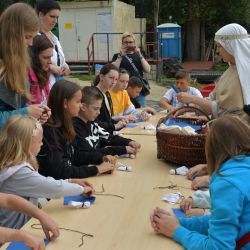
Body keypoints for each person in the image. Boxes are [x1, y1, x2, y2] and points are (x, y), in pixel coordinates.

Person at [150, 115, 250, 249]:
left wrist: (176, 231)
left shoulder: (228, 183)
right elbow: (222, 221)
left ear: (212, 150)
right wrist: (180, 222)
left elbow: (218, 247)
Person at [0, 115, 94, 230]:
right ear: (26, 144)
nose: (42, 144)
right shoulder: (19, 173)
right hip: (13, 233)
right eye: (39, 141)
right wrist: (82, 189)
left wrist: (71, 181)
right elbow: (53, 188)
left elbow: (42, 183)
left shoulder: (13, 164)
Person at [38, 79, 115, 179]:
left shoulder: (67, 124)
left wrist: (100, 158)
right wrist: (97, 169)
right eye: (78, 101)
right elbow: (60, 171)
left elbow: (75, 155)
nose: (80, 105)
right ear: (65, 103)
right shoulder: (49, 130)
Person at [176, 23, 250, 124]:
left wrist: (194, 99)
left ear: (232, 46)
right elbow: (213, 99)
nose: (218, 51)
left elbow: (231, 113)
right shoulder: (230, 69)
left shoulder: (245, 73)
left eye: (220, 46)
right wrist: (190, 108)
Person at [0, 3, 50, 128]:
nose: (31, 43)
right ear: (12, 35)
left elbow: (14, 106)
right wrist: (25, 112)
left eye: (33, 37)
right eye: (27, 37)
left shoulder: (15, 63)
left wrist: (34, 111)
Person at [73, 86, 141, 165]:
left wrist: (129, 142)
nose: (99, 112)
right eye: (95, 109)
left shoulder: (91, 122)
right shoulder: (75, 128)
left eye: (99, 109)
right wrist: (121, 149)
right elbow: (90, 153)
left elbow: (109, 137)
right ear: (83, 107)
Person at [36, 0, 70, 88]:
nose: (55, 21)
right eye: (52, 16)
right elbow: (31, 61)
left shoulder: (54, 37)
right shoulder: (34, 37)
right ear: (40, 15)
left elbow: (59, 58)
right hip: (44, 85)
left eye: (57, 17)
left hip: (58, 84)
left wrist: (65, 66)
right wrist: (51, 67)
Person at [112, 32, 151, 107]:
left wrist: (140, 55)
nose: (128, 44)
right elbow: (113, 69)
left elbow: (148, 69)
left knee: (140, 110)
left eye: (130, 42)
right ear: (122, 43)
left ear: (134, 43)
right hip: (123, 89)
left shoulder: (139, 55)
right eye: (126, 42)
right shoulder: (117, 56)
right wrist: (121, 55)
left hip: (137, 91)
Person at [93, 63, 127, 133]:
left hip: (107, 133)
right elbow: (94, 122)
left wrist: (118, 121)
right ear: (101, 77)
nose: (113, 82)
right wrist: (115, 126)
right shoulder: (94, 94)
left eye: (116, 79)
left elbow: (107, 119)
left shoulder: (107, 93)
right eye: (111, 78)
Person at [28, 33, 53, 105]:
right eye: (45, 57)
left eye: (51, 57)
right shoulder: (27, 77)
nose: (50, 62)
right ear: (34, 56)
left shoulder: (43, 73)